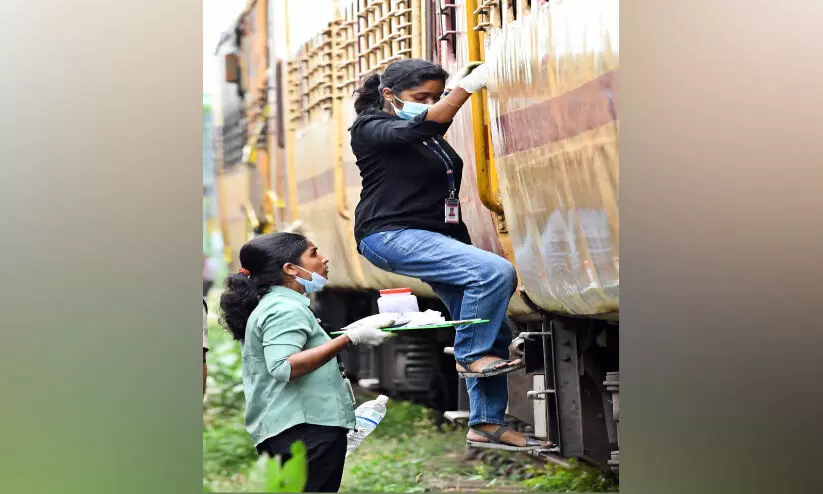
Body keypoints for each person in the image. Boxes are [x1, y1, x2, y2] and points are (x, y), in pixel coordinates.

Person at [349, 58, 550, 451]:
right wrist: (464, 89)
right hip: (390, 235)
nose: (429, 103)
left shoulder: (425, 136)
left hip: (435, 236)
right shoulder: (372, 128)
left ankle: (487, 423)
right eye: (419, 96)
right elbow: (424, 124)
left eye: (435, 96)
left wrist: (462, 245)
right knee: (494, 274)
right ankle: (470, 355)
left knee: (488, 323)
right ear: (389, 95)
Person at [219, 232, 393, 492]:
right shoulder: (284, 308)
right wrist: (349, 339)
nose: (324, 259)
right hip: (304, 431)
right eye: (313, 253)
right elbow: (285, 366)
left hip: (296, 429)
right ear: (290, 269)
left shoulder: (275, 304)